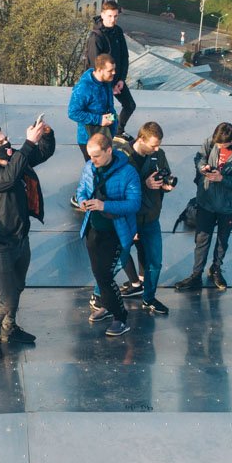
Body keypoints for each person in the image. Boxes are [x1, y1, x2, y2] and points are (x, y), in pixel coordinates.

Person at [0, 119, 56, 359]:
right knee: (7, 297)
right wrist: (28, 143)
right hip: (0, 246)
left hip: (21, 239)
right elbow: (9, 178)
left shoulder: (13, 160)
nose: (7, 144)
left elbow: (42, 153)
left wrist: (46, 135)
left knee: (18, 287)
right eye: (1, 142)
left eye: (6, 139)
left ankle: (9, 328)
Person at [174, 122, 232, 292]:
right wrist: (202, 167)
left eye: (221, 145)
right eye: (216, 143)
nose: (217, 146)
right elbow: (199, 157)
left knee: (222, 241)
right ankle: (196, 275)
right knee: (201, 240)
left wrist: (222, 179)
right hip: (206, 202)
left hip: (228, 207)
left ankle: (216, 269)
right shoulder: (211, 141)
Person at [76, 133, 141, 337]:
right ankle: (106, 306)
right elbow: (81, 189)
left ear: (109, 151)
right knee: (99, 273)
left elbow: (134, 203)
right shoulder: (89, 167)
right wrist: (82, 201)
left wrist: (104, 205)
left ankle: (120, 317)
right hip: (93, 228)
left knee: (104, 274)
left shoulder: (128, 172)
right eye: (90, 156)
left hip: (116, 231)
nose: (92, 160)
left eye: (96, 156)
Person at [114, 121, 175, 316]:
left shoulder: (158, 155)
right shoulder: (121, 156)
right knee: (117, 259)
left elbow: (164, 175)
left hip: (150, 218)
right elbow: (117, 188)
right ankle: (100, 296)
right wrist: (144, 183)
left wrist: (165, 186)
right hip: (127, 219)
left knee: (155, 262)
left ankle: (149, 297)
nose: (156, 149)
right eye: (153, 145)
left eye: (158, 145)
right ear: (141, 139)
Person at [83, 0, 135, 135]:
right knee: (108, 114)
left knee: (130, 105)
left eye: (115, 16)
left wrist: (121, 79)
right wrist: (109, 87)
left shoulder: (118, 31)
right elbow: (95, 67)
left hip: (117, 80)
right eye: (110, 16)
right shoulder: (96, 37)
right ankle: (102, 135)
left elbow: (124, 57)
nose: (113, 19)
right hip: (102, 83)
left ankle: (118, 131)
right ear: (102, 15)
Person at [68, 53, 117, 164]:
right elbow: (73, 112)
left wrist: (114, 124)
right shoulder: (84, 87)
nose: (114, 73)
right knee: (96, 170)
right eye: (110, 70)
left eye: (114, 69)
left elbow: (110, 108)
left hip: (106, 136)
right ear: (99, 70)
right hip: (88, 139)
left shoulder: (106, 83)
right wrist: (99, 120)